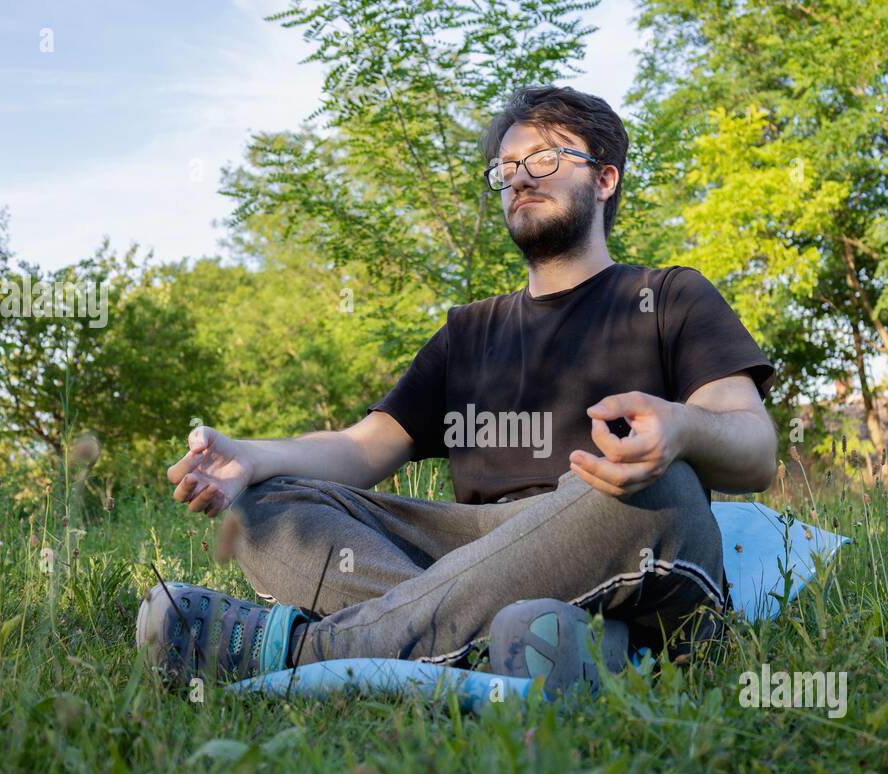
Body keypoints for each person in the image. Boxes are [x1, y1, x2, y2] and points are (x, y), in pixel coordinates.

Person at [136, 85, 777, 695]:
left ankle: (306, 652)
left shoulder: (671, 296)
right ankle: (555, 645)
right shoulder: (468, 330)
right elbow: (363, 451)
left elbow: (755, 450)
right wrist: (253, 458)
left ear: (604, 179)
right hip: (468, 544)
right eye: (506, 168)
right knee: (263, 507)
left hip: (612, 525)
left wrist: (683, 428)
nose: (520, 177)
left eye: (544, 158)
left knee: (656, 486)